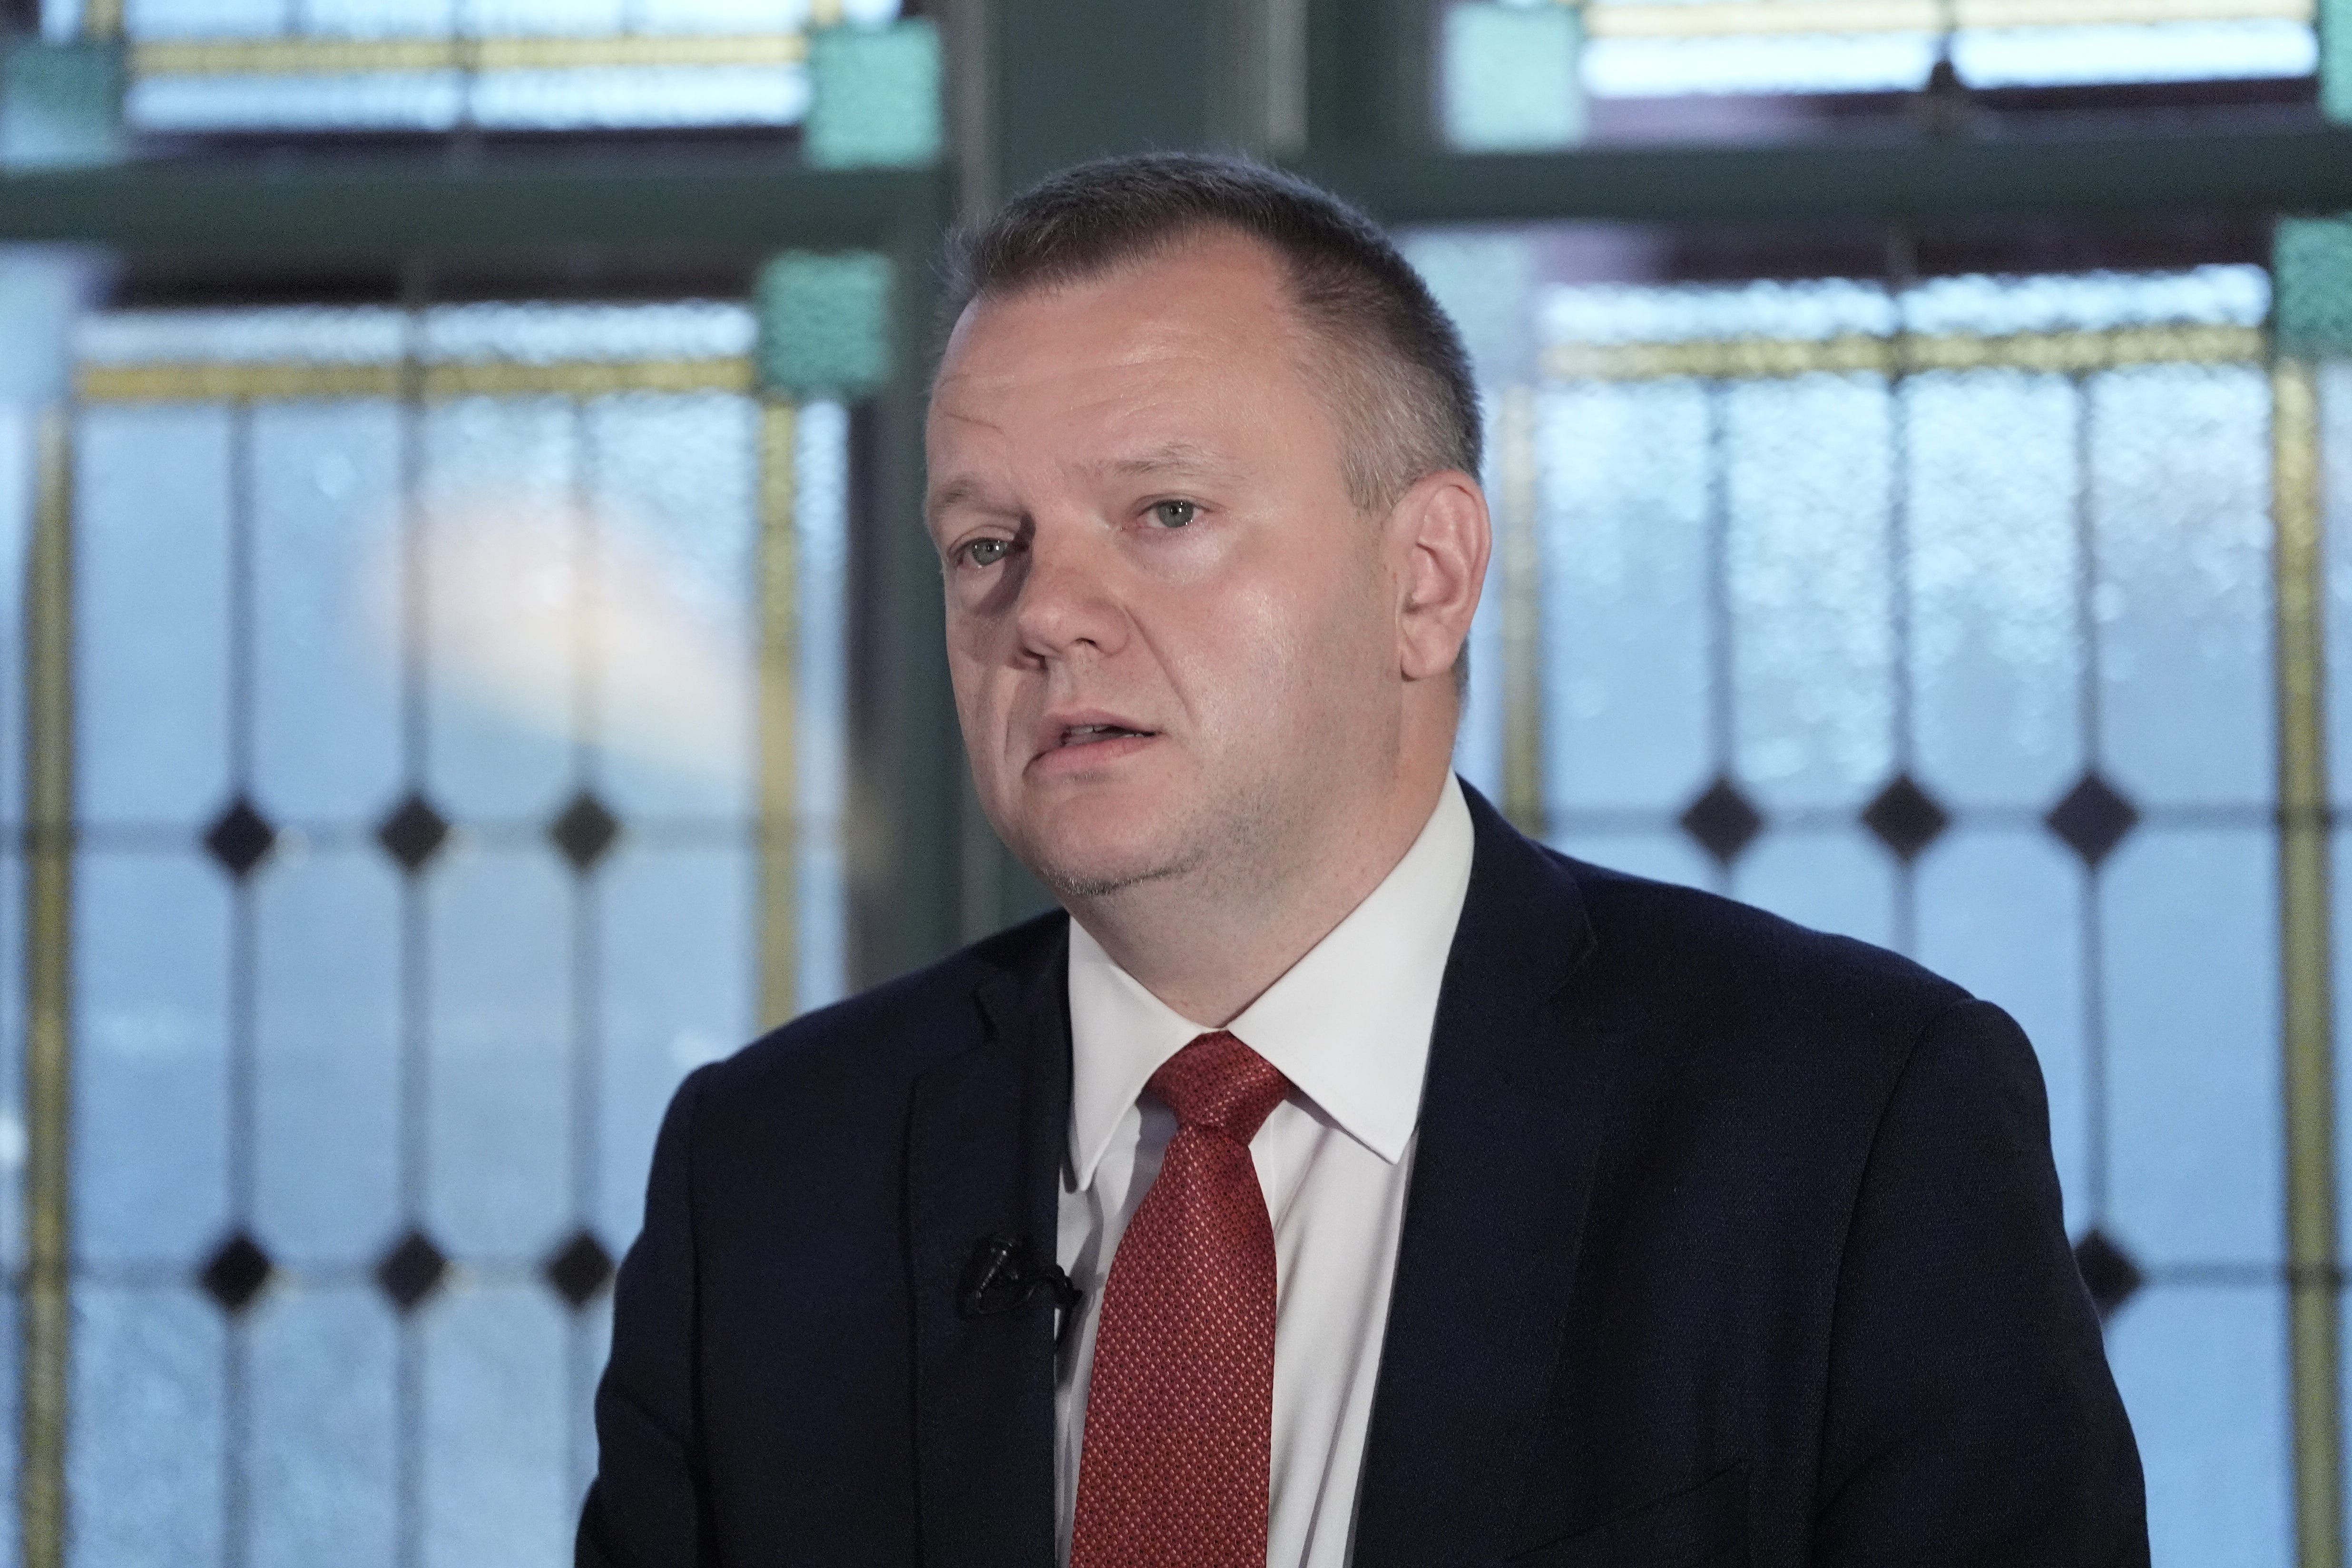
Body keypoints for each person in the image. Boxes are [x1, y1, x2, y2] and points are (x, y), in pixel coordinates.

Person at [578, 152, 2146, 1568]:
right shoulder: (770, 1177)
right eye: (989, 544)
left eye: (1166, 511)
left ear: (1428, 579)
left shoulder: (1853, 1125)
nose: (1044, 611)